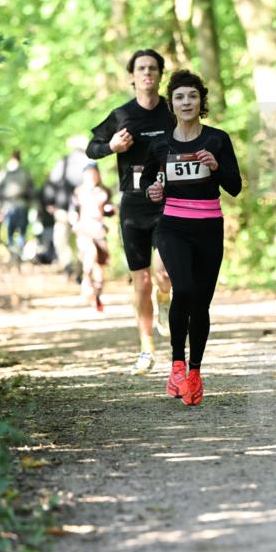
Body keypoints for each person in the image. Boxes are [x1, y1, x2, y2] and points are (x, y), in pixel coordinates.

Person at [141, 70, 241, 405]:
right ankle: (176, 364)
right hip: (173, 227)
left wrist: (216, 166)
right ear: (172, 104)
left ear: (201, 101)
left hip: (209, 226)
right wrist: (154, 189)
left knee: (201, 302)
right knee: (183, 289)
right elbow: (146, 181)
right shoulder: (161, 143)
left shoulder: (217, 139)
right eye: (180, 97)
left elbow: (235, 186)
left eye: (192, 96)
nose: (186, 102)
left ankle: (195, 372)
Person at [87, 49, 174, 375]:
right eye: (141, 68)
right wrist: (112, 147)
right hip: (134, 204)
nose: (147, 73)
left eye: (153, 68)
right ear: (132, 76)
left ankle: (165, 300)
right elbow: (92, 148)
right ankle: (146, 349)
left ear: (161, 74)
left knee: (163, 272)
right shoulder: (121, 115)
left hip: (169, 201)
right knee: (141, 282)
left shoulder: (173, 110)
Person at [70, 162, 115, 311]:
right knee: (91, 255)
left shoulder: (104, 191)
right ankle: (86, 278)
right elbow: (73, 210)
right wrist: (74, 222)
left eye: (94, 173)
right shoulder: (78, 192)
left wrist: (110, 209)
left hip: (99, 230)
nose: (92, 177)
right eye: (89, 174)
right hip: (84, 229)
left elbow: (110, 210)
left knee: (100, 265)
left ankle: (97, 294)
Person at [41, 137, 88, 278]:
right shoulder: (90, 163)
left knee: (61, 239)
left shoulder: (64, 162)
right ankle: (80, 270)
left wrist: (49, 201)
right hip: (83, 208)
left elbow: (51, 183)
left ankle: (69, 265)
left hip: (63, 207)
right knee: (81, 240)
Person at [0, 150, 35, 255]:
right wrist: (33, 205)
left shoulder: (5, 174)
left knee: (10, 232)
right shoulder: (24, 173)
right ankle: (18, 253)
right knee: (21, 232)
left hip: (9, 206)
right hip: (21, 205)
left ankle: (13, 253)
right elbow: (31, 191)